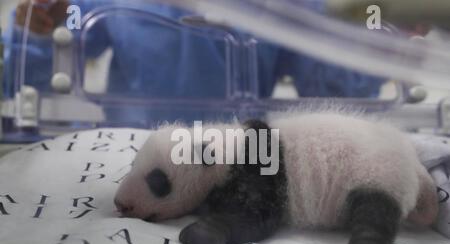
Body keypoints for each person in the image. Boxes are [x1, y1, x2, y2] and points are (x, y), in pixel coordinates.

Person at [2, 0, 384, 124]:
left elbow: (335, 98)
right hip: (124, 158)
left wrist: (374, 40)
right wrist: (37, 28)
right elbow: (25, 81)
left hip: (242, 163)